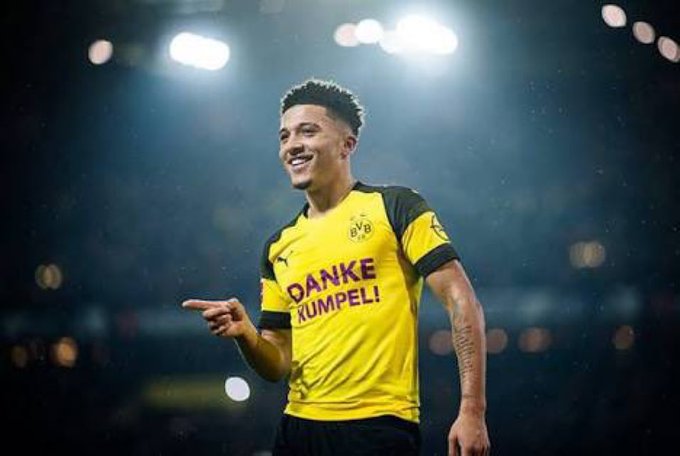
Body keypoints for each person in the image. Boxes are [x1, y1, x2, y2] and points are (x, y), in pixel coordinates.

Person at [182, 79, 490, 456]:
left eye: (308, 131)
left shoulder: (396, 207)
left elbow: (462, 302)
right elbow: (277, 362)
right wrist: (246, 334)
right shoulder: (278, 247)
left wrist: (472, 409)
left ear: (347, 144)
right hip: (297, 428)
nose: (292, 144)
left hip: (377, 426)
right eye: (284, 136)